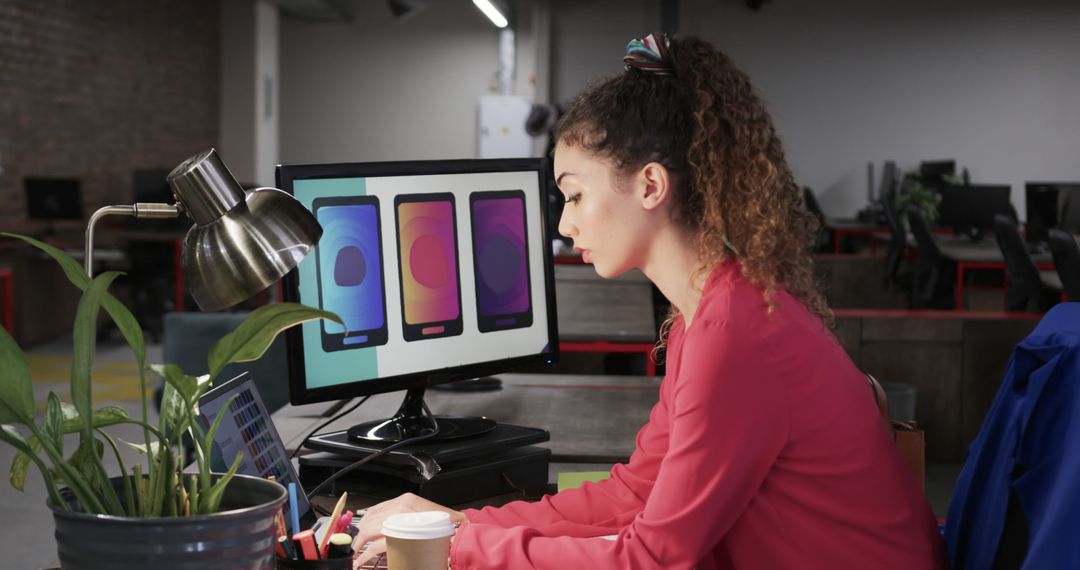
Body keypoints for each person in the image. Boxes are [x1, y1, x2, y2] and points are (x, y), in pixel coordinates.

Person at [352, 33, 947, 569]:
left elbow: (654, 559)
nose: (564, 225)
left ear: (651, 186)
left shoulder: (733, 334)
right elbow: (635, 492)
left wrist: (460, 549)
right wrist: (465, 524)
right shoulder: (708, 312)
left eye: (576, 196)